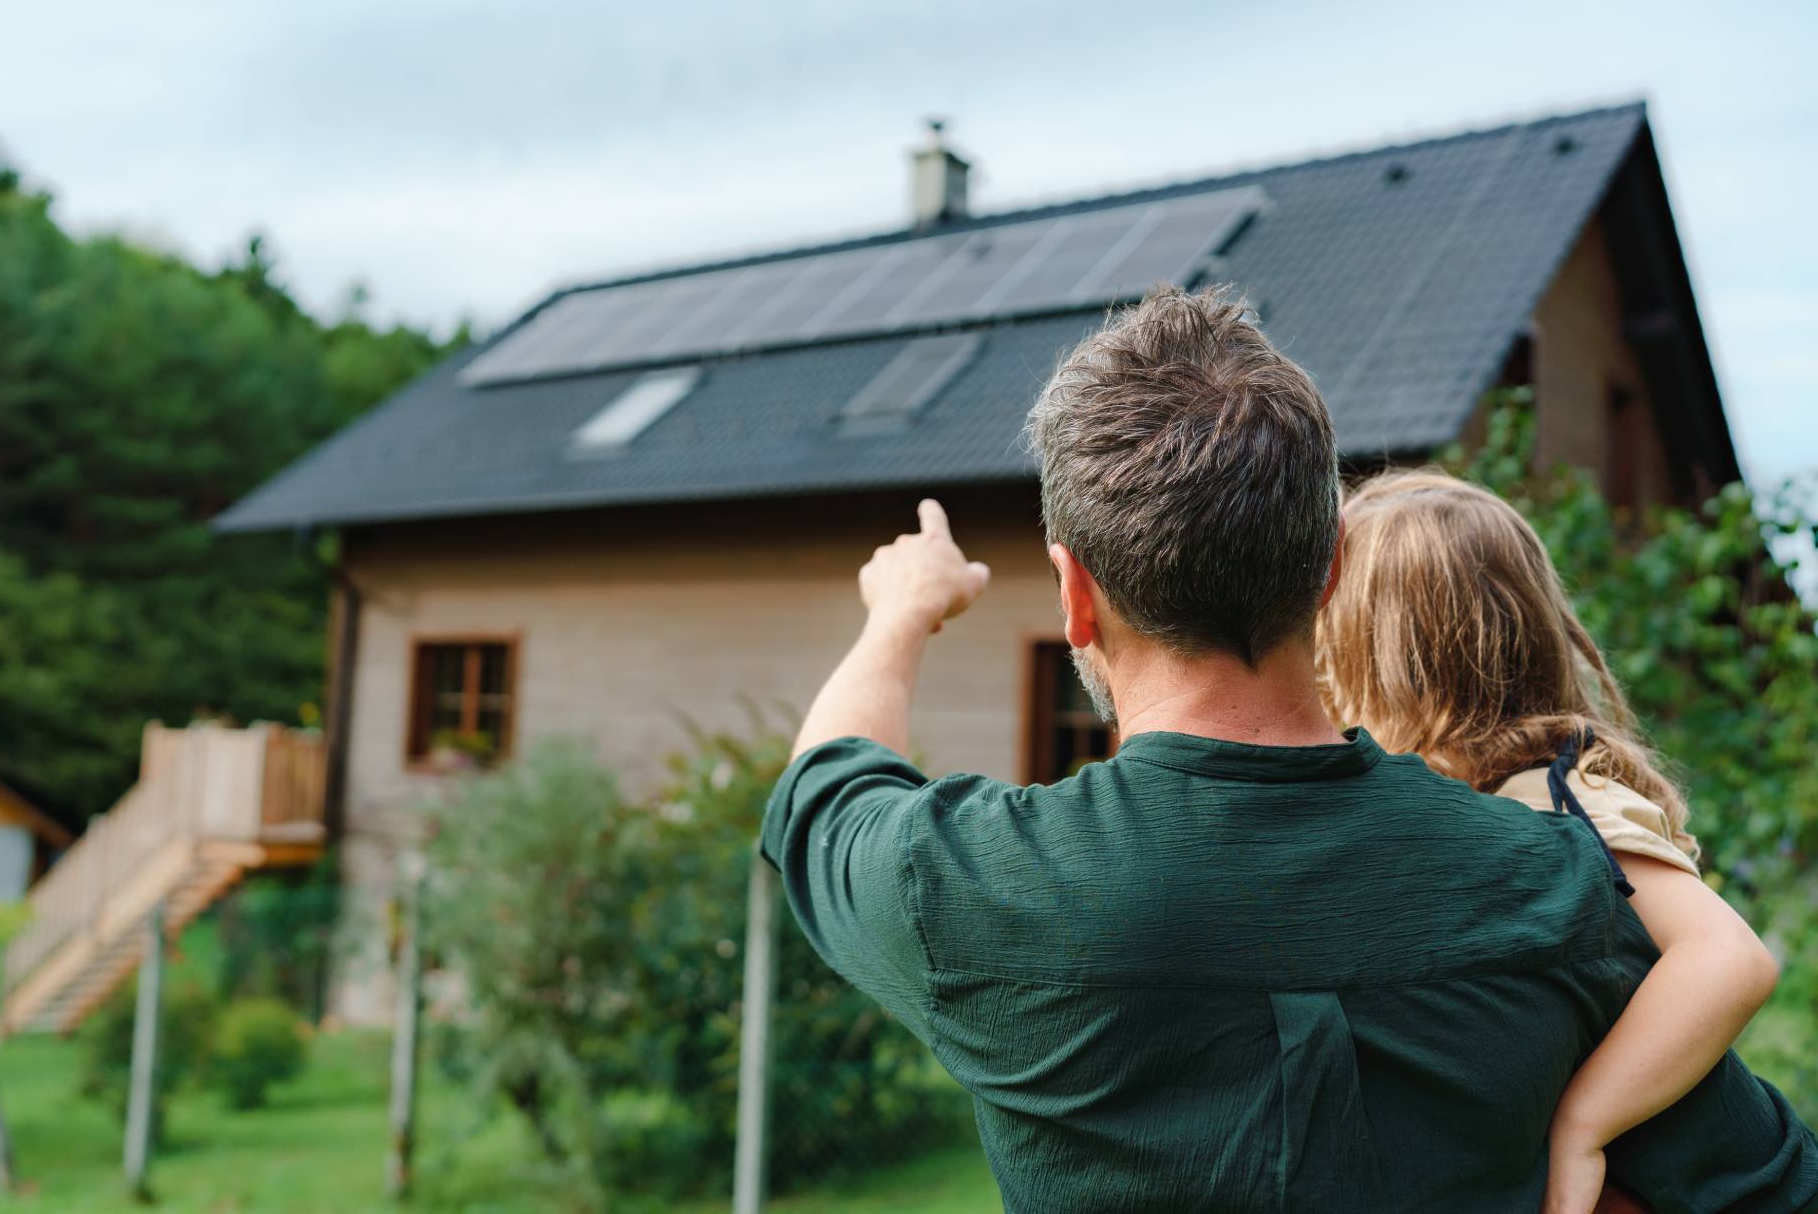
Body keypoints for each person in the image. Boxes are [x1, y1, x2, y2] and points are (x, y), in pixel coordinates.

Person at [759, 286, 1818, 1212]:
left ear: (1075, 593)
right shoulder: (1552, 880)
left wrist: (902, 611)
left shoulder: (969, 883)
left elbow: (825, 783)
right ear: (1328, 567)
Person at [1317, 468, 1784, 1214]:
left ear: (1379, 661)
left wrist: (1581, 1126)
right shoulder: (1476, 803)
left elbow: (1730, 959)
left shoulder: (1560, 797)